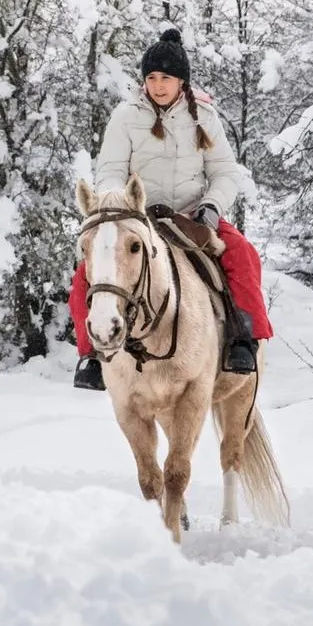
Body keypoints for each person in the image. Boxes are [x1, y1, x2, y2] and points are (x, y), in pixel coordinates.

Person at [71, 28, 272, 391]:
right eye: (151, 77)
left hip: (192, 215)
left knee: (241, 253)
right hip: (138, 218)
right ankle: (90, 354)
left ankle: (243, 339)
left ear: (182, 81)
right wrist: (121, 205)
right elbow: (110, 171)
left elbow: (224, 172)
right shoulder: (125, 117)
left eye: (166, 77)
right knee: (85, 273)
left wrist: (211, 207)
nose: (158, 85)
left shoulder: (204, 118)